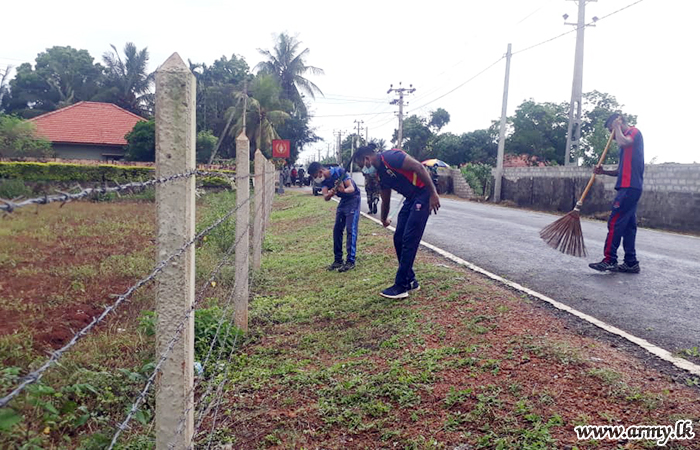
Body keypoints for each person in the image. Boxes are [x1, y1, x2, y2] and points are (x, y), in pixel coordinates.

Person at [353, 143, 441, 299]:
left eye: (362, 166)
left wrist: (433, 193)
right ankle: (410, 280)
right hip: (411, 199)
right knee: (398, 237)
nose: (363, 170)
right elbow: (385, 196)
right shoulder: (380, 174)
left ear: (367, 159)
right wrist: (383, 218)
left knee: (409, 239)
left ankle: (401, 286)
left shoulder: (391, 157)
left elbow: (419, 168)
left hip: (423, 194)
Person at [589, 113, 644, 274]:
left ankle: (609, 260)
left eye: (610, 130)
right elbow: (620, 171)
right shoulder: (625, 145)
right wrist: (603, 171)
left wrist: (617, 127)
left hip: (629, 187)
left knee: (614, 221)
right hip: (628, 187)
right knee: (628, 226)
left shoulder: (632, 133)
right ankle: (631, 262)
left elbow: (623, 142)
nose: (611, 136)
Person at [308, 161, 361, 272]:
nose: (315, 179)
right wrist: (331, 193)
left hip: (353, 199)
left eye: (315, 176)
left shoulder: (339, 172)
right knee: (337, 230)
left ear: (320, 171)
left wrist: (343, 190)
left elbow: (351, 188)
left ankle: (350, 261)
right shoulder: (325, 182)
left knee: (351, 230)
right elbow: (325, 197)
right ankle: (338, 260)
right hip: (343, 201)